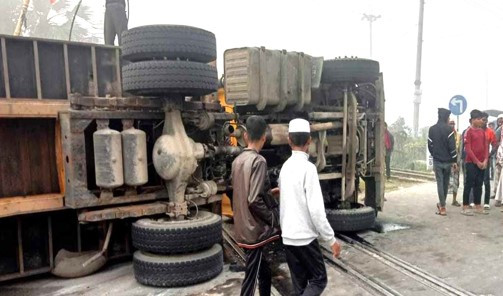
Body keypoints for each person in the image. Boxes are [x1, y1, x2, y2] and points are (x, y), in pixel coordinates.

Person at [278, 118, 341, 296]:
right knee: (319, 279)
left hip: (288, 237)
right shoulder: (308, 169)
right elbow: (316, 211)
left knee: (300, 286)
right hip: (305, 238)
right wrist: (331, 240)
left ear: (289, 140)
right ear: (309, 141)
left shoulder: (285, 168)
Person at [231, 116, 280, 296]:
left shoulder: (237, 161)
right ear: (264, 138)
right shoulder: (259, 161)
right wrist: (273, 218)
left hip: (243, 226)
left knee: (264, 272)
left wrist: (269, 192)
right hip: (255, 232)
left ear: (245, 136)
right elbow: (253, 199)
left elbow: (243, 193)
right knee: (251, 280)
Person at [428, 108, 458, 216]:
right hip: (448, 161)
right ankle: (442, 205)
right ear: (446, 117)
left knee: (439, 183)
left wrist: (435, 154)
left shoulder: (432, 129)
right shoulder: (449, 130)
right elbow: (452, 147)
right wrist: (454, 160)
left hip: (437, 161)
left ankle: (443, 206)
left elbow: (430, 146)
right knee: (445, 183)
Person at [462, 110, 489, 216]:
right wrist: (477, 161)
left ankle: (478, 205)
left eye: (481, 119)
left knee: (479, 184)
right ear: (473, 120)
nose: (480, 121)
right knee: (469, 184)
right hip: (470, 162)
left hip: (482, 162)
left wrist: (485, 160)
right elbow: (468, 149)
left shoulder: (482, 132)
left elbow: (486, 147)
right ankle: (465, 206)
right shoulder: (468, 132)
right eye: (478, 119)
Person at [481, 112, 498, 209]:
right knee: (476, 181)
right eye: (483, 119)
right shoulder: (475, 131)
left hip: (486, 160)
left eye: (486, 120)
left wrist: (490, 154)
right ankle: (476, 201)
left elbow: (495, 144)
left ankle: (486, 202)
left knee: (486, 181)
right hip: (475, 160)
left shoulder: (490, 132)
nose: (485, 121)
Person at [448, 120, 462, 207]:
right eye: (450, 124)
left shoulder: (458, 135)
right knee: (446, 182)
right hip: (447, 162)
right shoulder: (445, 135)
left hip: (456, 162)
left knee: (456, 182)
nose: (452, 125)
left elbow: (460, 150)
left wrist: (458, 162)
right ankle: (443, 201)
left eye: (453, 124)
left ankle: (454, 200)